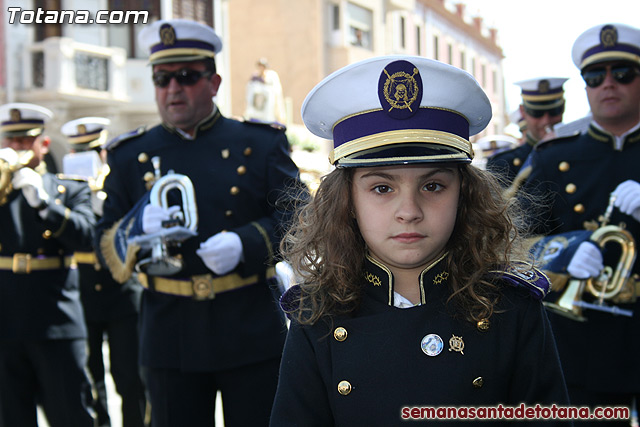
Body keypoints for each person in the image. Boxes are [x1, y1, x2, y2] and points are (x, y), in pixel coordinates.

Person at [270, 56, 570, 426]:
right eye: (382, 188)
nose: (409, 210)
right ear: (348, 201)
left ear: (464, 195)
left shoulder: (512, 309)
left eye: (433, 186)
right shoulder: (316, 315)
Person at [96, 19, 303, 427]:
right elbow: (103, 245)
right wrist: (135, 227)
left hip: (248, 325)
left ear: (214, 82)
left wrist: (247, 243)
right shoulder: (128, 154)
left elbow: (300, 216)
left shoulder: (259, 142)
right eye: (162, 78)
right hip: (168, 331)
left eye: (187, 77)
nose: (172, 89)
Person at [518, 23, 640, 424]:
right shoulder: (554, 157)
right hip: (583, 344)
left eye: (623, 74)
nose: (608, 84)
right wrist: (565, 250)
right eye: (594, 77)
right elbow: (513, 240)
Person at [0, 103, 95, 426]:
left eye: (25, 141)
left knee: (70, 414)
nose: (16, 148)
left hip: (55, 320)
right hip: (6, 320)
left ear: (43, 143)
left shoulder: (69, 188)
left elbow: (87, 237)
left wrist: (44, 204)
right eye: (10, 141)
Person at [61, 117, 147, 427]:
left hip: (122, 289)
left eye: (93, 150)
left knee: (130, 376)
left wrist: (106, 206)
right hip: (83, 289)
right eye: (78, 151)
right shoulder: (63, 189)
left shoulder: (121, 182)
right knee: (89, 375)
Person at [486, 77, 568, 185]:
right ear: (522, 111)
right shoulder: (503, 163)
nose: (546, 121)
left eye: (554, 111)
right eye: (537, 113)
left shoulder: (576, 150)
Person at [244, 57, 287, 125]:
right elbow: (250, 88)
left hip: (267, 111)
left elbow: (275, 91)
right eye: (260, 66)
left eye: (262, 66)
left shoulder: (271, 76)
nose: (261, 68)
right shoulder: (255, 77)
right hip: (256, 111)